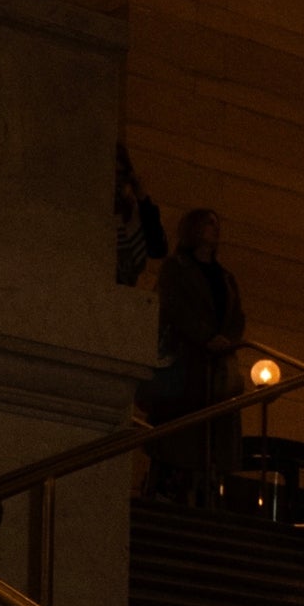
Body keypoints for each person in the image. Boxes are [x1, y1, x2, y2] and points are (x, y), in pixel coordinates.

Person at [150, 210, 248, 500]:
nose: (215, 229)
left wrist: (227, 340)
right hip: (187, 363)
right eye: (208, 223)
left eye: (217, 224)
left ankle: (207, 493)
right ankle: (171, 491)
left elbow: (237, 315)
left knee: (212, 436)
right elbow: (174, 307)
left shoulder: (225, 277)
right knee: (181, 435)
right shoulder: (176, 268)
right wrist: (205, 336)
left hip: (217, 368)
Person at [114, 145, 167, 287]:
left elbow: (157, 249)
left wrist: (143, 199)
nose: (117, 181)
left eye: (121, 175)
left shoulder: (134, 213)